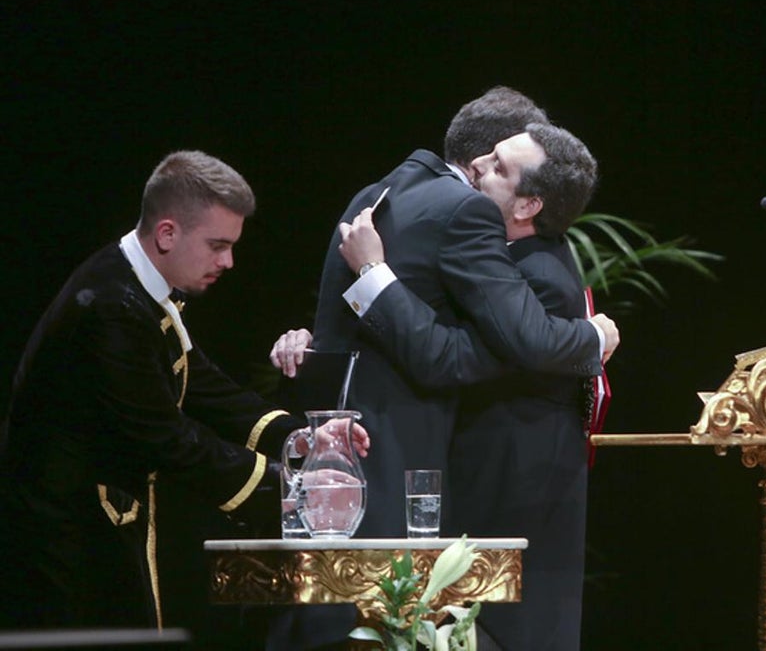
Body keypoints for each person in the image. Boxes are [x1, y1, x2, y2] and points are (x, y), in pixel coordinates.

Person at [269, 87, 617, 650]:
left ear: (530, 204)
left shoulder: (389, 198)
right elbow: (443, 352)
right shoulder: (458, 212)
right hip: (395, 468)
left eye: (500, 166)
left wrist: (591, 335)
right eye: (492, 155)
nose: (482, 167)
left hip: (500, 490)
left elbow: (513, 342)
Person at [0, 151, 367, 637]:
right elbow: (168, 438)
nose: (228, 261)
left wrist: (300, 440)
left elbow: (201, 384)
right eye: (217, 245)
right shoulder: (111, 308)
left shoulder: (140, 286)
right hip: (65, 538)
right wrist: (288, 489)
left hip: (99, 520)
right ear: (168, 233)